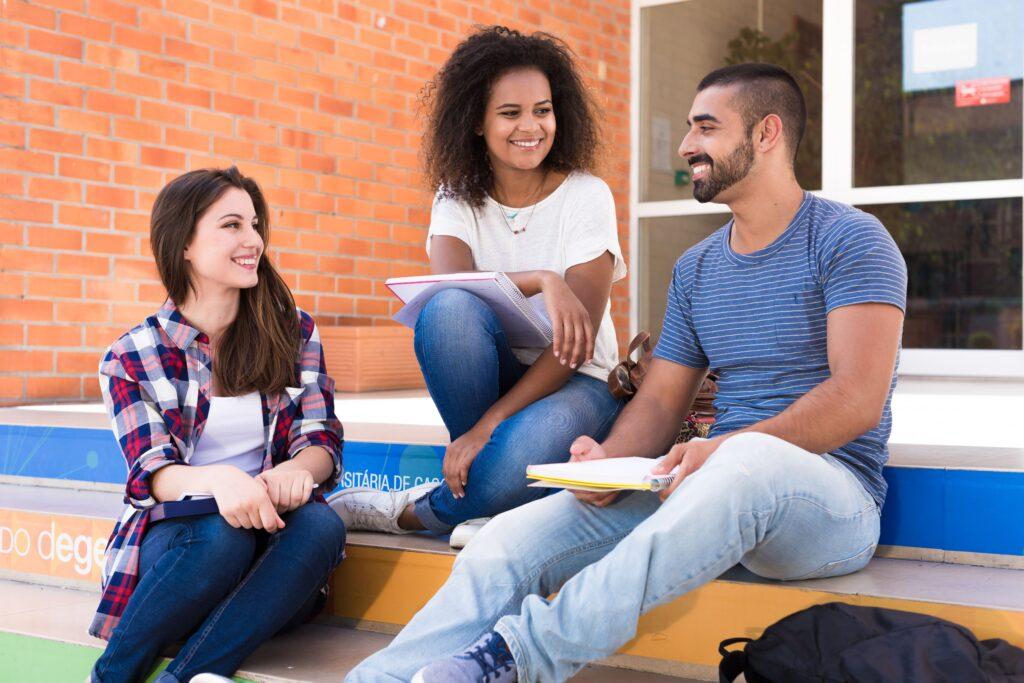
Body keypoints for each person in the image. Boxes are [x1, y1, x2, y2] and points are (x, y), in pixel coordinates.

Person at [347, 62, 909, 683]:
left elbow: (856, 399)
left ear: (766, 133)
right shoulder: (697, 268)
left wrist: (723, 448)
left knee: (747, 461)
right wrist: (608, 461)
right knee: (509, 540)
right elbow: (661, 401)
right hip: (708, 486)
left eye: (706, 128)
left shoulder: (851, 241)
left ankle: (515, 660)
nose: (686, 145)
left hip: (830, 504)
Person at [331, 26, 626, 544]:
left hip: (578, 380)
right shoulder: (456, 196)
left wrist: (486, 427)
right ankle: (490, 493)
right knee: (447, 309)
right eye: (510, 113)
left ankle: (410, 510)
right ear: (476, 121)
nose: (530, 127)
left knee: (517, 455)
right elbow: (451, 290)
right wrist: (543, 279)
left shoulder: (586, 195)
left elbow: (572, 346)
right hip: (495, 375)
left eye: (542, 110)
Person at [88, 167, 347, 683]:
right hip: (185, 553)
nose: (253, 240)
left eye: (254, 225)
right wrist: (220, 481)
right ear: (184, 243)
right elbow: (151, 473)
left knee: (321, 525)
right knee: (223, 537)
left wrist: (297, 470)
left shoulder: (293, 330)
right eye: (232, 225)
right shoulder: (132, 355)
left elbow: (320, 439)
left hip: (271, 555)